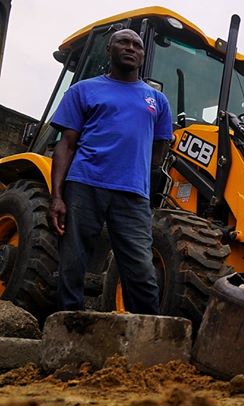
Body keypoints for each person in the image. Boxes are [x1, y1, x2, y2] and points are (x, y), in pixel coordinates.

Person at [49, 28, 173, 313]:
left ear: (143, 55)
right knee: (72, 263)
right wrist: (57, 196)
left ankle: (145, 333)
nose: (131, 48)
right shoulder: (83, 90)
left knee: (141, 270)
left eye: (137, 45)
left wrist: (132, 167)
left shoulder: (158, 102)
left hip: (132, 194)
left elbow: (158, 152)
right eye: (124, 42)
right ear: (110, 49)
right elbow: (66, 146)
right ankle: (70, 325)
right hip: (84, 185)